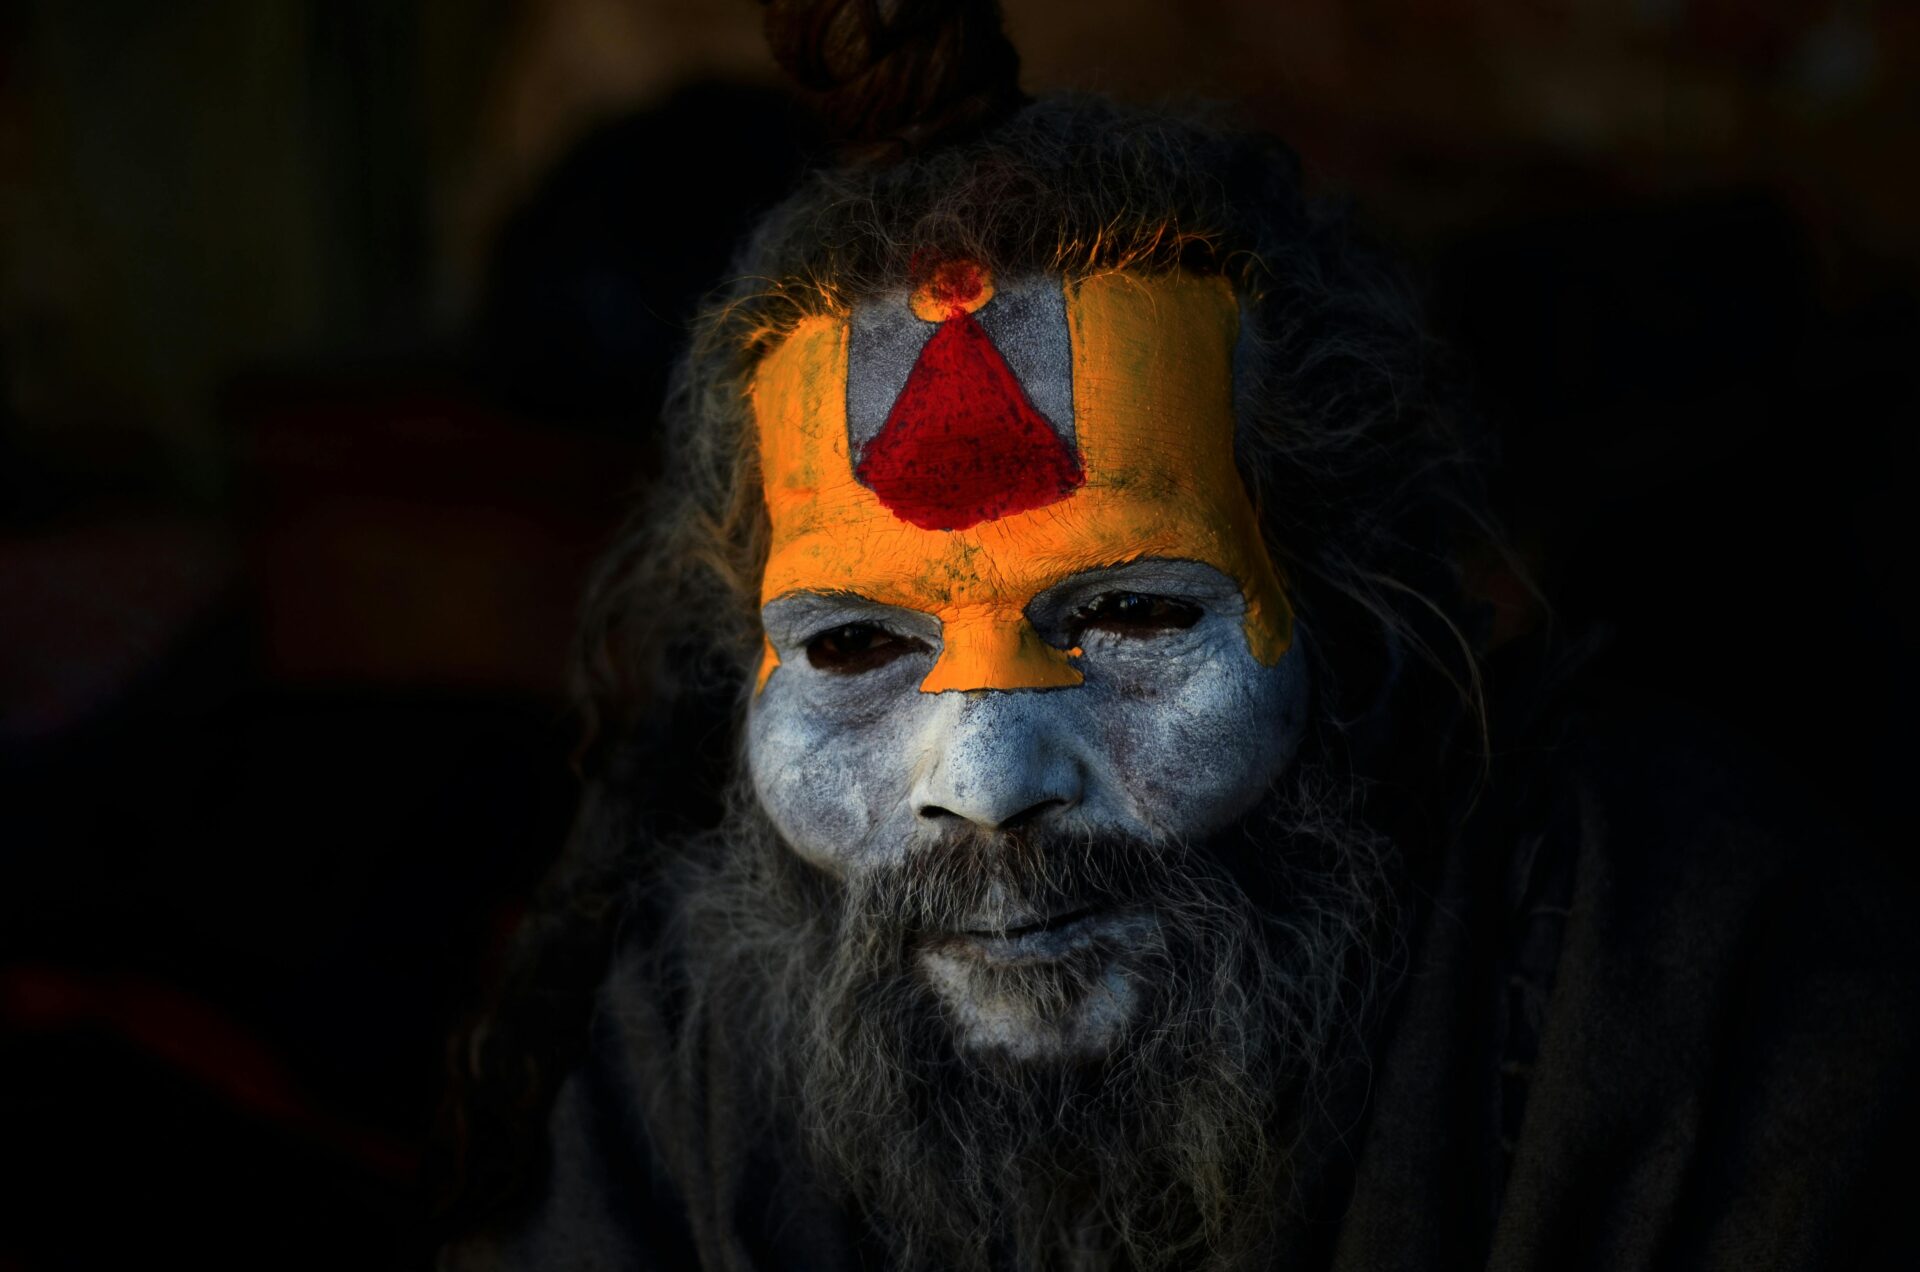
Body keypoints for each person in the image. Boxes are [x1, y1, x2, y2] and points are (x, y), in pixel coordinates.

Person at [434, 3, 1917, 1268]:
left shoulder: (1699, 994)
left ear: (1352, 625)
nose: (989, 776)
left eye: (1133, 613)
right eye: (853, 650)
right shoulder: (679, 1051)